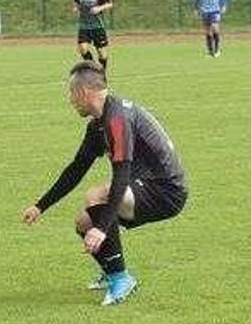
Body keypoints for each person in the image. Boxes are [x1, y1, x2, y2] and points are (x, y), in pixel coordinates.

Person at [22, 61, 188, 306]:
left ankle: (121, 279)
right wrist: (40, 206)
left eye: (71, 93)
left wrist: (101, 229)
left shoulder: (117, 119)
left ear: (83, 92)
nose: (70, 100)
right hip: (143, 187)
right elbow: (76, 169)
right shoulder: (99, 124)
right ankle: (112, 270)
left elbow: (121, 175)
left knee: (97, 195)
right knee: (84, 222)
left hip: (166, 192)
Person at [73, 0, 113, 71]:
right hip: (84, 25)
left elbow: (109, 4)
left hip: (97, 25)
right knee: (82, 48)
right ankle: (93, 67)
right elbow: (77, 2)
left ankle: (102, 72)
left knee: (102, 53)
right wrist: (76, 8)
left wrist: (99, 8)